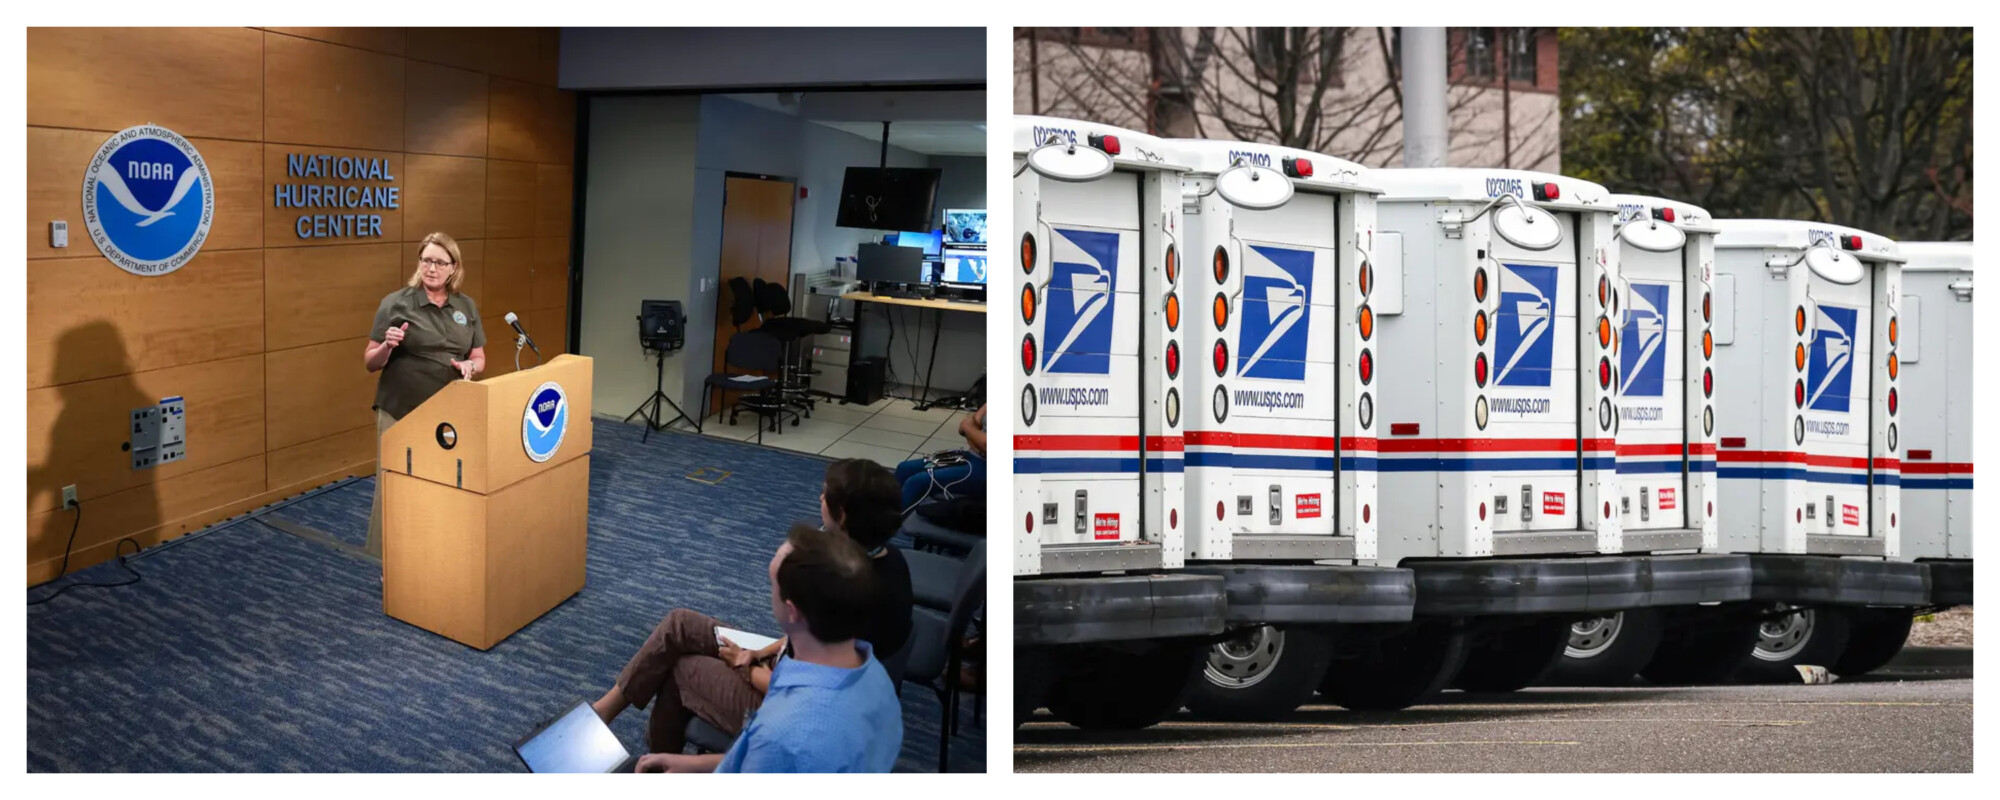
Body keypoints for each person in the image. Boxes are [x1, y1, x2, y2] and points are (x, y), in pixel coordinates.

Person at [592, 459, 912, 757]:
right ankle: (606, 710)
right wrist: (757, 654)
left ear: (841, 515)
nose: (819, 497)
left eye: (825, 495)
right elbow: (802, 642)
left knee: (681, 670)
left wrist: (746, 668)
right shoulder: (887, 561)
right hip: (785, 669)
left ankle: (660, 765)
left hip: (789, 706)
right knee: (681, 624)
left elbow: (808, 693)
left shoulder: (842, 591)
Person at [635, 524, 902, 773]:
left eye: (773, 587)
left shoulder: (780, 734)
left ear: (791, 611)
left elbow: (772, 756)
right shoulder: (875, 677)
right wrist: (692, 766)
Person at [364, 232, 484, 559]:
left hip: (448, 413)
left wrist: (470, 368)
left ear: (453, 267)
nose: (431, 268)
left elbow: (479, 357)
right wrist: (387, 346)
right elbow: (370, 362)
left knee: (441, 483)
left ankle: (434, 557)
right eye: (426, 260)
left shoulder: (466, 306)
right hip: (400, 410)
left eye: (439, 262)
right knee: (396, 486)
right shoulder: (396, 303)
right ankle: (392, 561)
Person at [895, 403, 986, 511]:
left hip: (985, 468)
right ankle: (882, 513)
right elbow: (964, 426)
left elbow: (984, 444)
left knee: (916, 482)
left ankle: (896, 524)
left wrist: (970, 431)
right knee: (905, 468)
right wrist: (976, 437)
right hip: (968, 455)